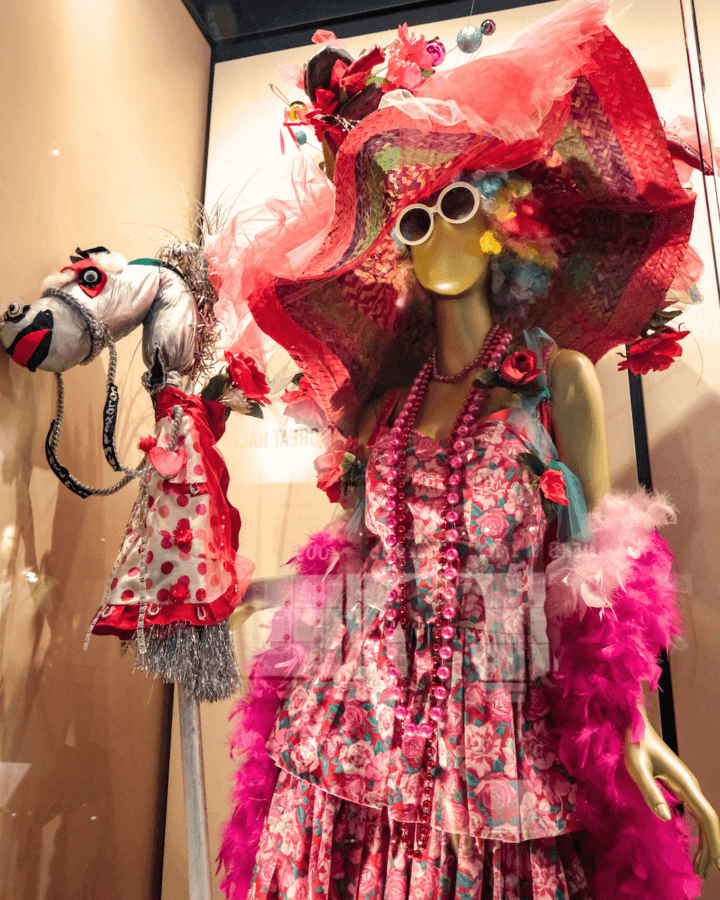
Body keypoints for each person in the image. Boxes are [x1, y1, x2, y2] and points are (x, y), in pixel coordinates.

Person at [208, 1, 720, 897]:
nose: (437, 235)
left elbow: (594, 576)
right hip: (354, 722)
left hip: (499, 730)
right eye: (414, 222)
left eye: (456, 205)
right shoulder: (382, 411)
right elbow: (351, 567)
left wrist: (633, 727)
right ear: (396, 254)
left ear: (502, 222)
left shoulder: (555, 382)